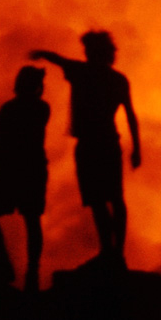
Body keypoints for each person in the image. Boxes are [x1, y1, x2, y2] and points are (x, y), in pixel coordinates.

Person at [29, 31, 141, 270]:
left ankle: (110, 253)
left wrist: (41, 53)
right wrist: (136, 148)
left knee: (100, 200)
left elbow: (57, 59)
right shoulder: (117, 79)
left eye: (89, 49)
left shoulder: (81, 72)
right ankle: (114, 253)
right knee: (110, 198)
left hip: (90, 144)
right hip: (109, 143)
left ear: (95, 52)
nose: (86, 53)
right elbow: (130, 115)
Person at [0, 66, 51, 292]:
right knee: (31, 220)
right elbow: (0, 142)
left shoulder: (10, 109)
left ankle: (6, 265)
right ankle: (30, 273)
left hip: (12, 170)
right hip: (32, 169)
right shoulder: (41, 108)